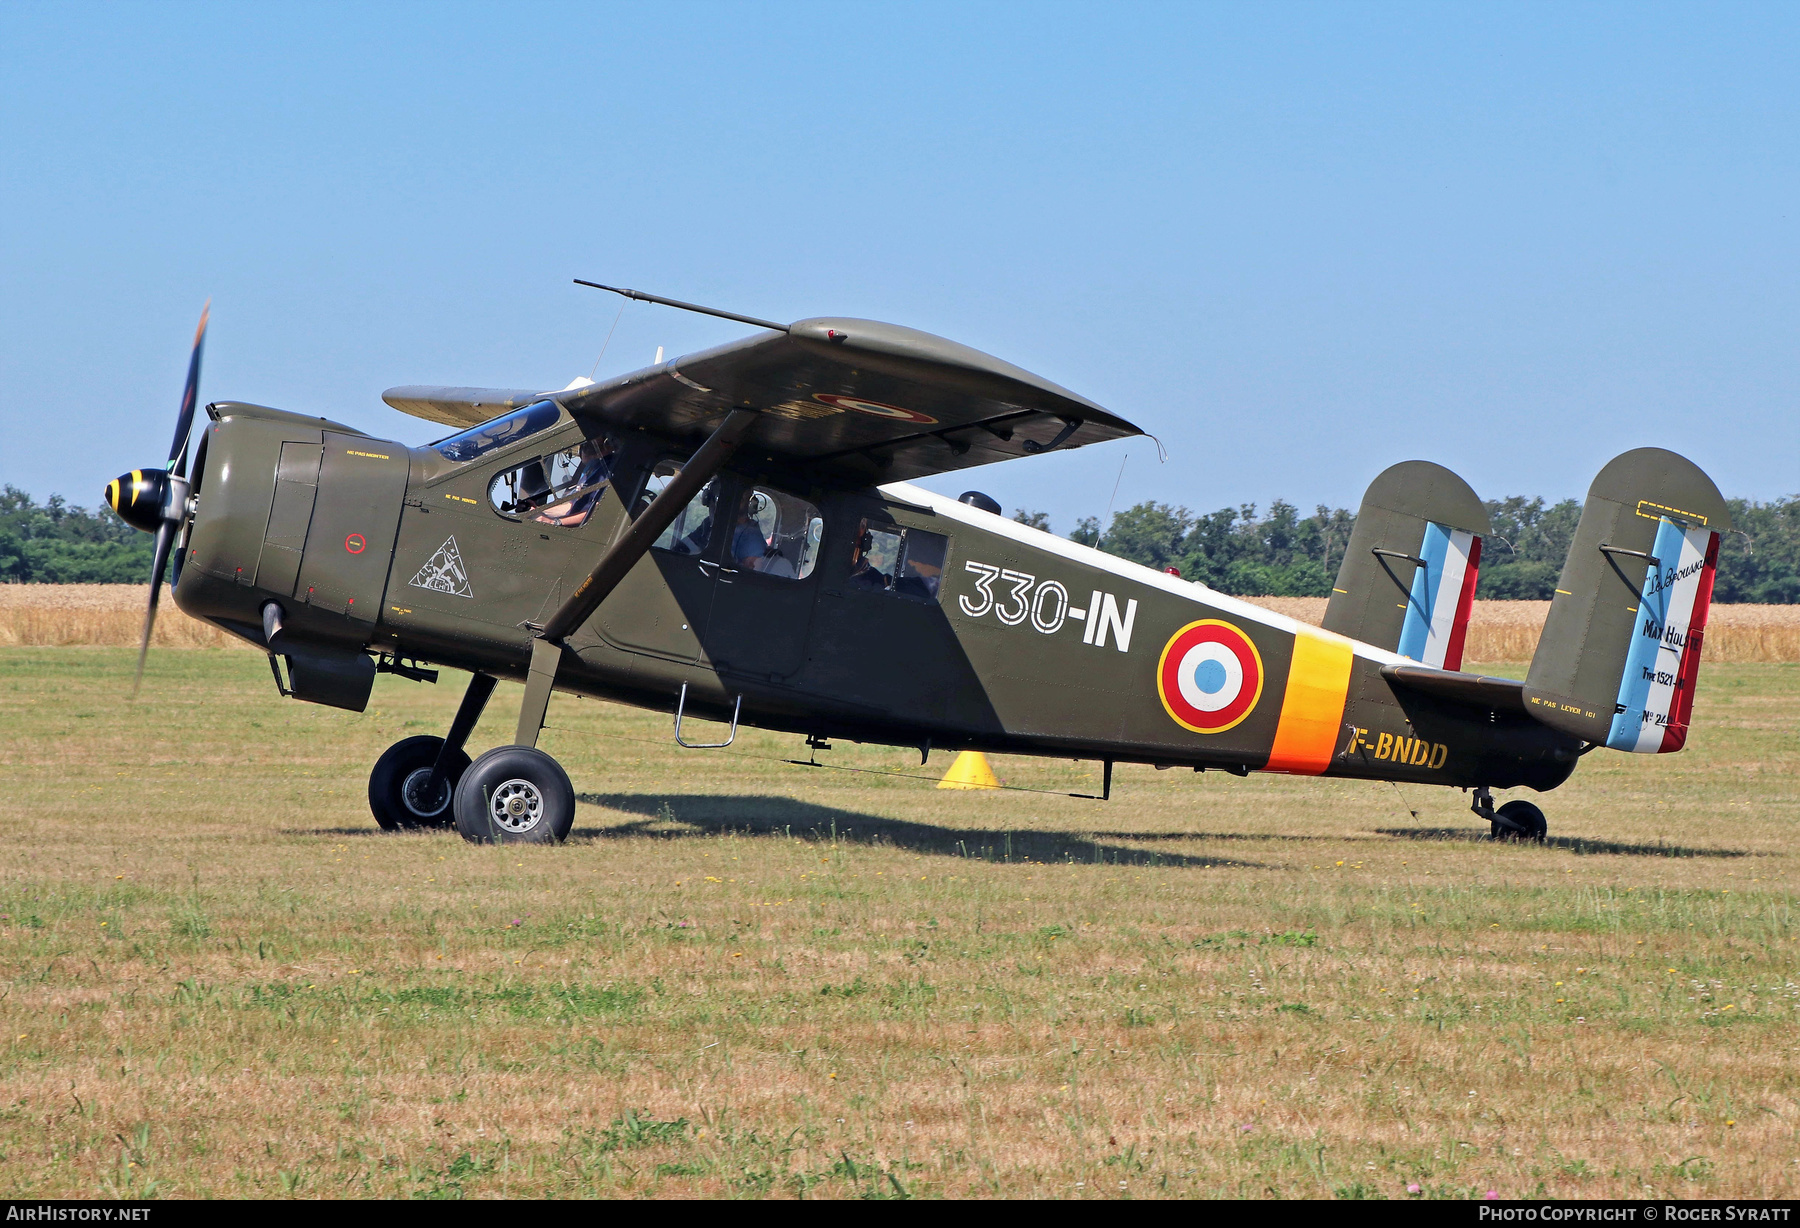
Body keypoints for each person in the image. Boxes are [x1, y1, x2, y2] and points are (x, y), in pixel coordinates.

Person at [535, 437, 614, 528]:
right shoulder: (592, 468)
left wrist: (556, 522)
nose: (585, 444)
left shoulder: (609, 469)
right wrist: (538, 511)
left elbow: (599, 510)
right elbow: (570, 507)